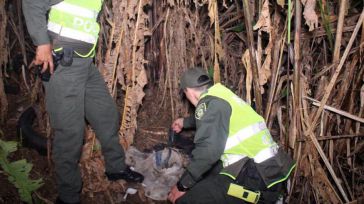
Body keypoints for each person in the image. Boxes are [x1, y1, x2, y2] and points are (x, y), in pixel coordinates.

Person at [22, 0, 144, 203]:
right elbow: (32, 2)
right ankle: (69, 196)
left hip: (85, 64)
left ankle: (115, 168)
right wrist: (41, 42)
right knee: (70, 133)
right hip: (64, 65)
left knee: (106, 116)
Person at [168, 67, 296, 204]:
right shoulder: (222, 95)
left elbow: (208, 152)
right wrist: (185, 122)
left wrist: (183, 185)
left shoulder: (209, 104)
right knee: (209, 175)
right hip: (271, 169)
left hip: (255, 176)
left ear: (189, 91)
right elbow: (213, 119)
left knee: (185, 200)